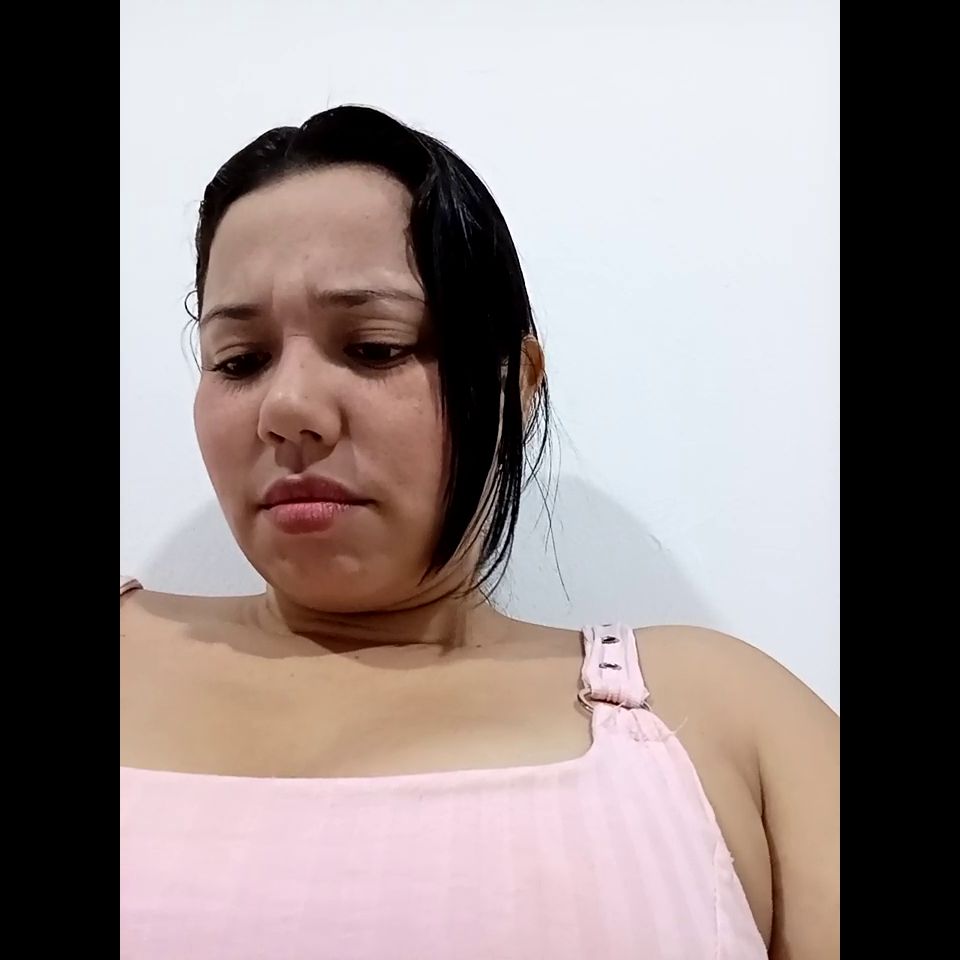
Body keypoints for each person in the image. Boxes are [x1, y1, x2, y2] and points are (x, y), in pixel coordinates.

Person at [120, 105, 839, 960]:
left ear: (517, 386)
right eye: (239, 360)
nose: (288, 408)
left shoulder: (729, 717)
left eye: (377, 347)